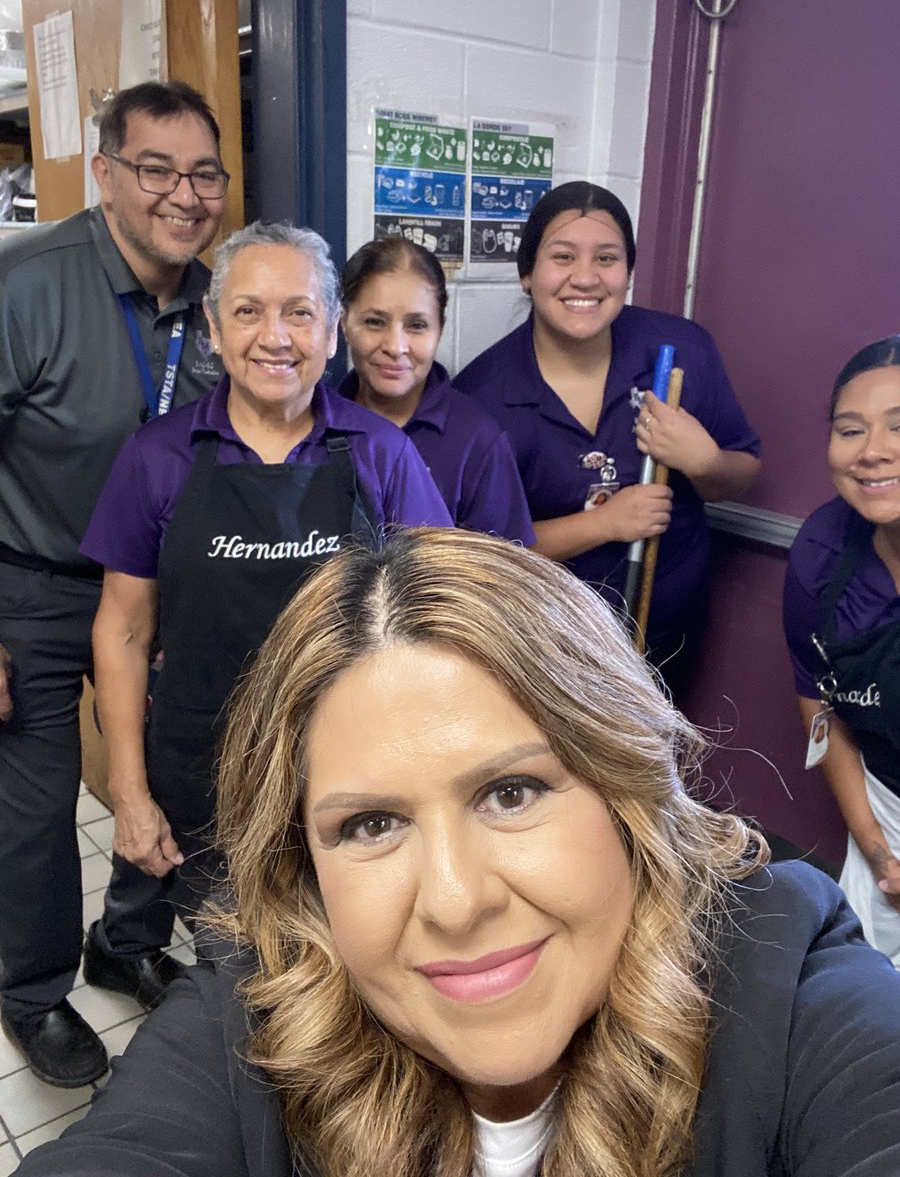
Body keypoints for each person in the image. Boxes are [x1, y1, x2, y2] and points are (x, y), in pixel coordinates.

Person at [16, 528, 900, 1177]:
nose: (452, 899)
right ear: (302, 871)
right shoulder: (247, 1014)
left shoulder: (785, 973)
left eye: (510, 794)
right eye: (370, 825)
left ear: (626, 786)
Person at [79, 220, 453, 987]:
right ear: (214, 329)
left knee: (340, 956)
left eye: (299, 312)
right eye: (247, 311)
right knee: (251, 974)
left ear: (332, 331)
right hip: (202, 766)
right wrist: (129, 792)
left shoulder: (381, 454)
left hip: (349, 765)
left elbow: (440, 612)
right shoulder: (159, 458)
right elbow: (121, 631)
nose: (274, 336)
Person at [0, 80, 228, 1088]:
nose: (184, 194)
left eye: (205, 173)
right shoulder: (30, 283)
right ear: (105, 174)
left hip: (159, 594)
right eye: (157, 169)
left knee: (164, 775)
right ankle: (33, 991)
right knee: (39, 806)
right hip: (35, 589)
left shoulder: (220, 303)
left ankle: (124, 943)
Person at [455, 181, 761, 686]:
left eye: (606, 258)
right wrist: (603, 524)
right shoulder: (481, 399)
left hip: (664, 640)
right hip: (542, 648)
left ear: (627, 273)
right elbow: (480, 552)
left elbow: (742, 471)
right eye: (563, 256)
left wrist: (703, 462)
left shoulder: (683, 350)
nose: (585, 278)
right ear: (527, 273)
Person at [784, 336, 900, 966]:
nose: (873, 451)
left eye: (898, 426)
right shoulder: (822, 551)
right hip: (883, 804)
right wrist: (876, 846)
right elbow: (817, 699)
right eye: (851, 430)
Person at [339, 237, 535, 542]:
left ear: (440, 327)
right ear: (344, 322)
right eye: (375, 322)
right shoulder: (318, 424)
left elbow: (502, 571)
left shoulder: (477, 439)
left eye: (417, 326)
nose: (395, 347)